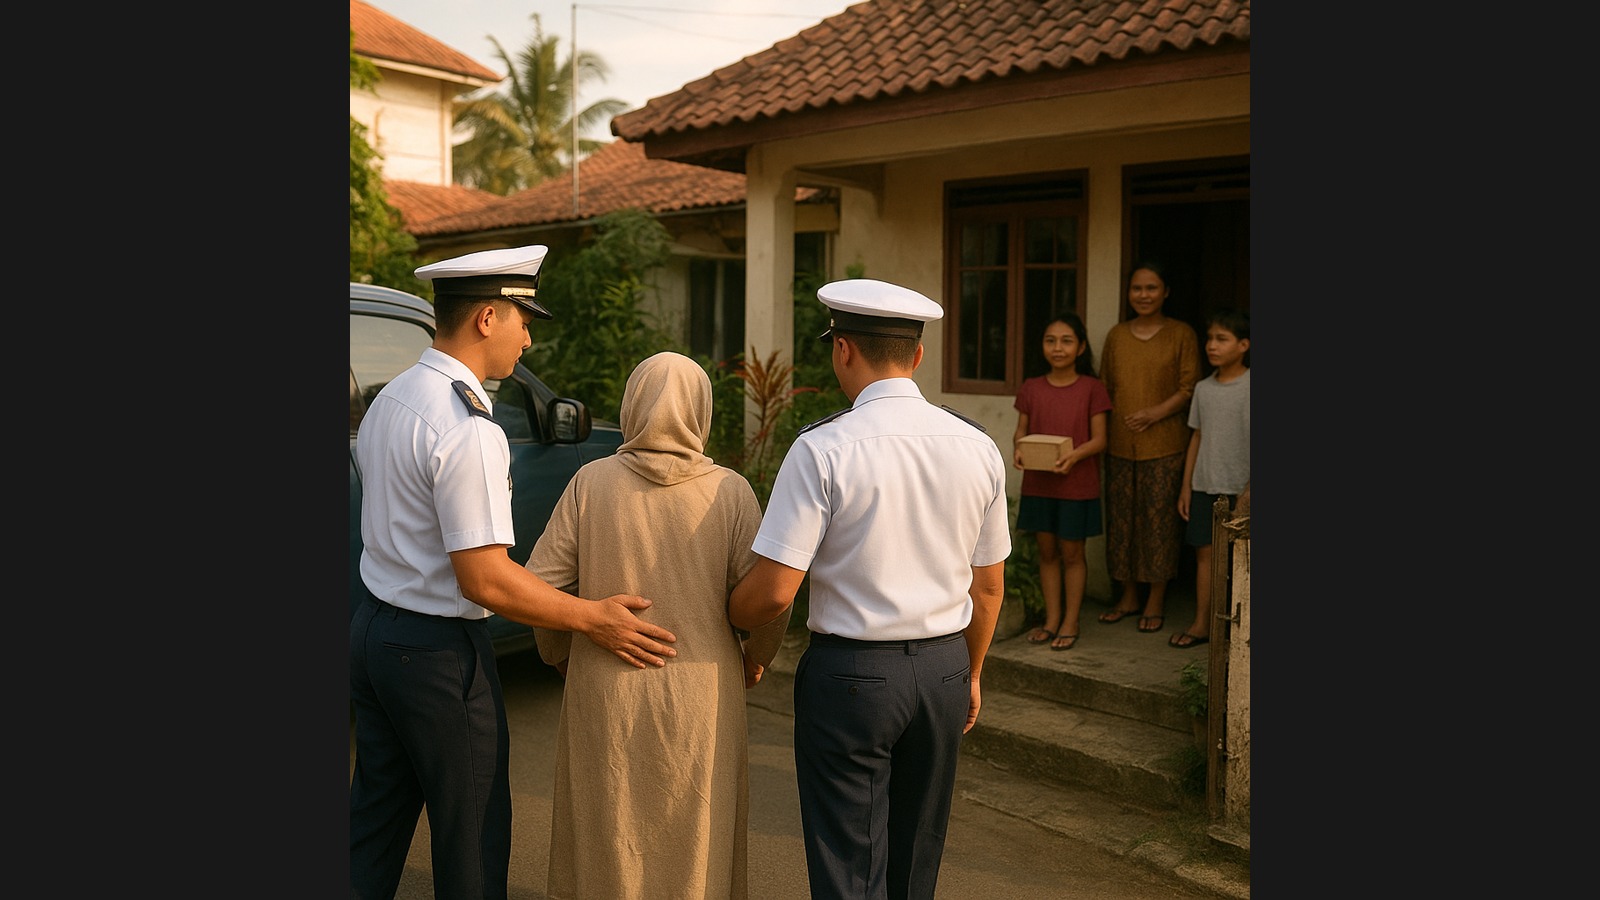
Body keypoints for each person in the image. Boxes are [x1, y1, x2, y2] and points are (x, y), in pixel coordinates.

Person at [349, 245, 680, 900]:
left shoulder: (393, 398)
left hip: (374, 635)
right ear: (487, 318)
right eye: (523, 319)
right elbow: (486, 580)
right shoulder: (470, 427)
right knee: (472, 839)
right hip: (437, 656)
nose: (527, 337)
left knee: (374, 827)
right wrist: (594, 618)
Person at [728, 278, 1012, 900]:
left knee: (849, 864)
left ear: (843, 350)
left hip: (851, 676)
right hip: (942, 666)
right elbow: (988, 588)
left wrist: (725, 612)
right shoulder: (978, 446)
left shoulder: (822, 448)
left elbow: (774, 592)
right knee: (918, 858)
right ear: (916, 355)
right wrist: (970, 673)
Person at [523, 351, 791, 900]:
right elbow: (771, 602)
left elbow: (538, 584)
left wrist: (561, 653)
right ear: (701, 411)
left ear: (631, 406)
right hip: (703, 696)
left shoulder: (589, 483)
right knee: (697, 834)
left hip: (605, 689)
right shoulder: (731, 492)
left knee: (607, 830)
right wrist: (757, 656)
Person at [1096, 260, 1200, 635]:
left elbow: (1190, 388)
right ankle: (1127, 596)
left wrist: (1154, 413)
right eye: (1137, 288)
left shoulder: (1181, 334)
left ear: (1166, 292)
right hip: (1121, 445)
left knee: (1159, 525)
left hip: (1166, 445)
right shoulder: (1117, 336)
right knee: (1122, 523)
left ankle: (1155, 598)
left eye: (1152, 288)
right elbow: (1104, 387)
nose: (1143, 295)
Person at [1012, 313, 1112, 651]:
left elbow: (1100, 440)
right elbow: (1021, 431)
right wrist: (1019, 450)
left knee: (1072, 553)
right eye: (1051, 340)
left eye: (1067, 340)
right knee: (1047, 552)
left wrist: (1074, 456)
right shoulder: (1031, 387)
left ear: (1081, 347)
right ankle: (1051, 619)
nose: (1058, 347)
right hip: (1039, 484)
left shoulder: (1092, 388)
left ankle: (1070, 621)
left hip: (1077, 484)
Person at [1172, 308, 1250, 648]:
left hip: (1242, 486)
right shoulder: (1203, 389)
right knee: (1206, 554)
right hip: (1206, 484)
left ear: (1244, 345)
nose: (1212, 346)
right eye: (1210, 339)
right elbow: (1198, 436)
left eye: (1222, 339)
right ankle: (1203, 623)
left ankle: (1241, 630)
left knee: (1243, 556)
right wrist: (1188, 485)